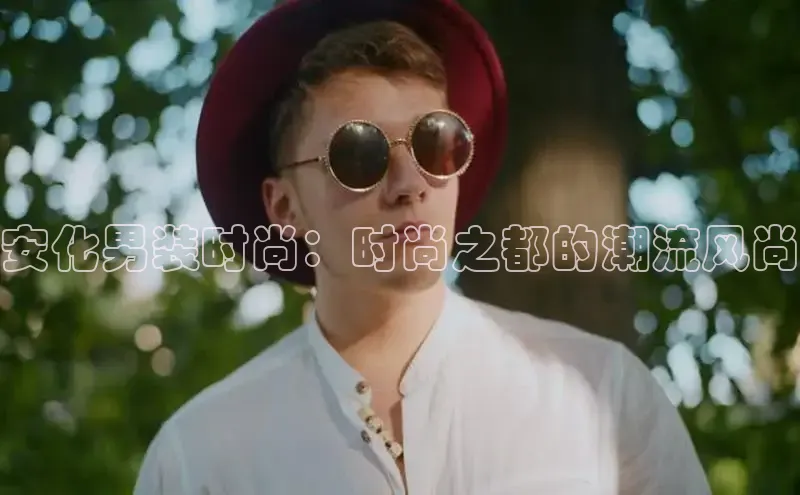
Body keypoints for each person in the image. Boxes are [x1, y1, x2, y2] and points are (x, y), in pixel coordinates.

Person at [134, 0, 711, 493]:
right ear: (285, 208)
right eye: (359, 154)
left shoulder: (603, 394)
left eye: (436, 142)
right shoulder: (200, 457)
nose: (410, 184)